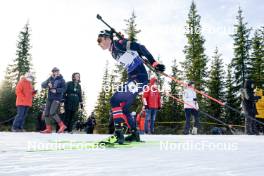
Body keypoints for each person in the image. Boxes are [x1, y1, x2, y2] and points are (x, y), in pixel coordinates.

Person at [97, 30, 165, 144]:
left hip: (138, 79)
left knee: (114, 100)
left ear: (107, 38)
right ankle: (134, 134)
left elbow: (140, 47)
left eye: (100, 40)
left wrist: (154, 62)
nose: (98, 43)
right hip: (135, 79)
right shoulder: (113, 51)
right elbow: (134, 53)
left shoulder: (118, 44)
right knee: (123, 108)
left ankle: (118, 134)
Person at [40, 67, 67, 133]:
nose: (56, 72)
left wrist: (56, 90)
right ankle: (48, 129)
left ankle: (62, 125)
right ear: (53, 72)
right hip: (49, 98)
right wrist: (47, 82)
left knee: (52, 112)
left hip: (57, 98)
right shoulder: (50, 79)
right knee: (46, 113)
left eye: (57, 71)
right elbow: (42, 85)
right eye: (54, 71)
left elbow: (64, 88)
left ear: (59, 72)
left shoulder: (62, 80)